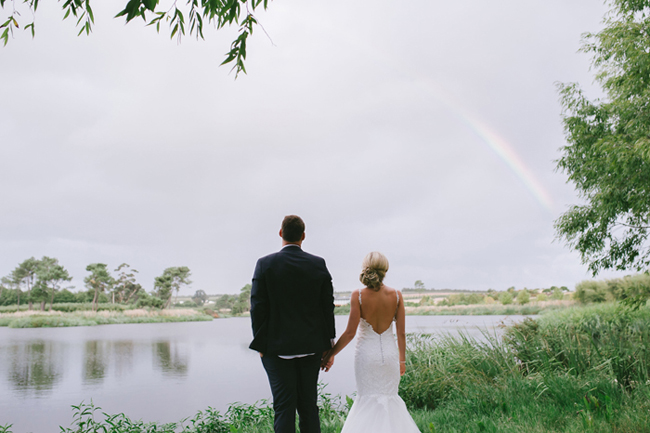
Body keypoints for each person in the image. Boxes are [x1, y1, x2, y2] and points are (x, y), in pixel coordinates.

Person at [249, 215, 336, 433]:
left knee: (283, 408)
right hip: (311, 348)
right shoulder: (318, 264)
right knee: (308, 407)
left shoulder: (265, 264)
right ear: (303, 236)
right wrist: (329, 344)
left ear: (281, 233)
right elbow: (327, 306)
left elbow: (257, 308)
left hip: (276, 349)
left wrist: (261, 344)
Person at [321, 252, 420, 433]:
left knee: (366, 400)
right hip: (390, 357)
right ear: (385, 269)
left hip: (366, 356)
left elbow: (350, 333)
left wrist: (330, 353)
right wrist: (402, 360)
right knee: (390, 400)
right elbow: (401, 333)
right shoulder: (397, 295)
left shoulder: (357, 295)